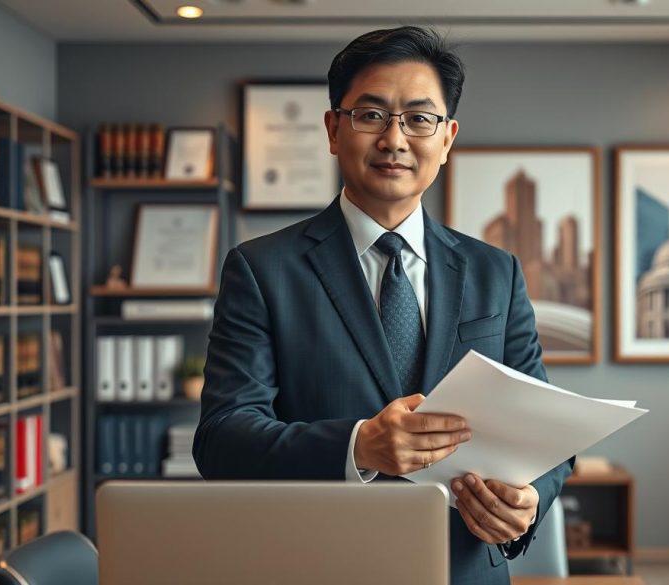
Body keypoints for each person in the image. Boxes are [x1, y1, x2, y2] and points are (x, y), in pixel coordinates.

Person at [193, 26, 573, 585]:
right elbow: (222, 437)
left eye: (419, 119)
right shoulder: (261, 269)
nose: (395, 139)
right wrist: (358, 446)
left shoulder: (496, 272)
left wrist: (528, 501)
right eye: (370, 115)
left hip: (463, 569)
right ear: (332, 129)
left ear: (446, 139)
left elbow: (547, 436)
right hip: (317, 566)